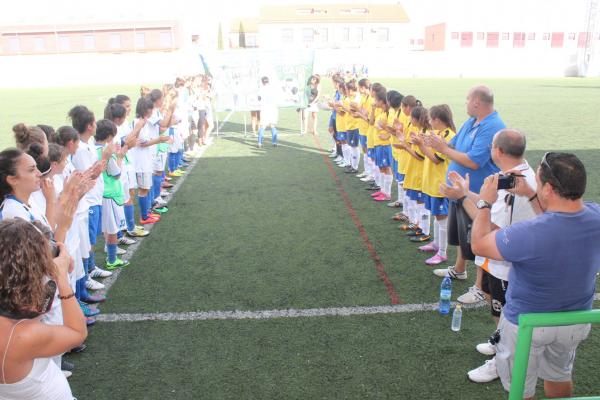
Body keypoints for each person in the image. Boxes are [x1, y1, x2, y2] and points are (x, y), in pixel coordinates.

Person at [470, 152, 599, 399]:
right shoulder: (595, 216)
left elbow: (479, 245)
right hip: (574, 319)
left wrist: (485, 203)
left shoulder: (527, 232)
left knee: (522, 389)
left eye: (539, 183)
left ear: (549, 188)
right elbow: (558, 225)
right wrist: (530, 193)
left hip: (526, 323)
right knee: (559, 376)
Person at [441, 129, 538, 382]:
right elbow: (490, 205)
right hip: (506, 264)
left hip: (507, 266)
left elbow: (491, 229)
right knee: (500, 312)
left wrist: (463, 198)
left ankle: (501, 362)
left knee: (504, 313)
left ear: (498, 151)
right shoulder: (518, 177)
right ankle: (499, 344)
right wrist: (469, 193)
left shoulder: (513, 185)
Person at [429, 86, 506, 302]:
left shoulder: (492, 127)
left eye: (467, 100)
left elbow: (473, 160)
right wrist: (437, 144)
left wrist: (444, 149)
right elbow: (454, 145)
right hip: (461, 191)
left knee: (480, 238)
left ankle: (480, 287)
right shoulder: (471, 122)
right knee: (463, 235)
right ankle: (459, 269)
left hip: (478, 194)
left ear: (476, 103)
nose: (465, 104)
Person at [0, 217, 87, 399]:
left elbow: (34, 308)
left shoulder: (11, 313)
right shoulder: (25, 335)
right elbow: (77, 332)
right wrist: (61, 277)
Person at [257, 76, 280, 149]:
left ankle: (259, 143)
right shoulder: (273, 88)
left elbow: (259, 98)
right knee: (272, 126)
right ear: (268, 81)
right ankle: (274, 142)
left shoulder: (261, 88)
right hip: (273, 109)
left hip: (265, 109)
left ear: (262, 82)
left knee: (263, 126)